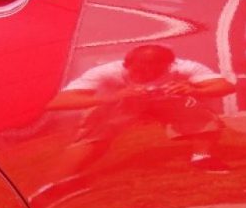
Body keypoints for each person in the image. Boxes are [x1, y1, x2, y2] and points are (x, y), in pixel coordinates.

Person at [46, 44, 235, 175]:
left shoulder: (184, 67)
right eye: (139, 71)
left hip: (167, 101)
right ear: (126, 65)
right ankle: (64, 176)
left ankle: (201, 157)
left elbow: (226, 87)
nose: (147, 76)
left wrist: (195, 90)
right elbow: (57, 102)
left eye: (155, 71)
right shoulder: (107, 71)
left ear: (169, 65)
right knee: (96, 129)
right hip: (125, 102)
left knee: (197, 112)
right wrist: (113, 97)